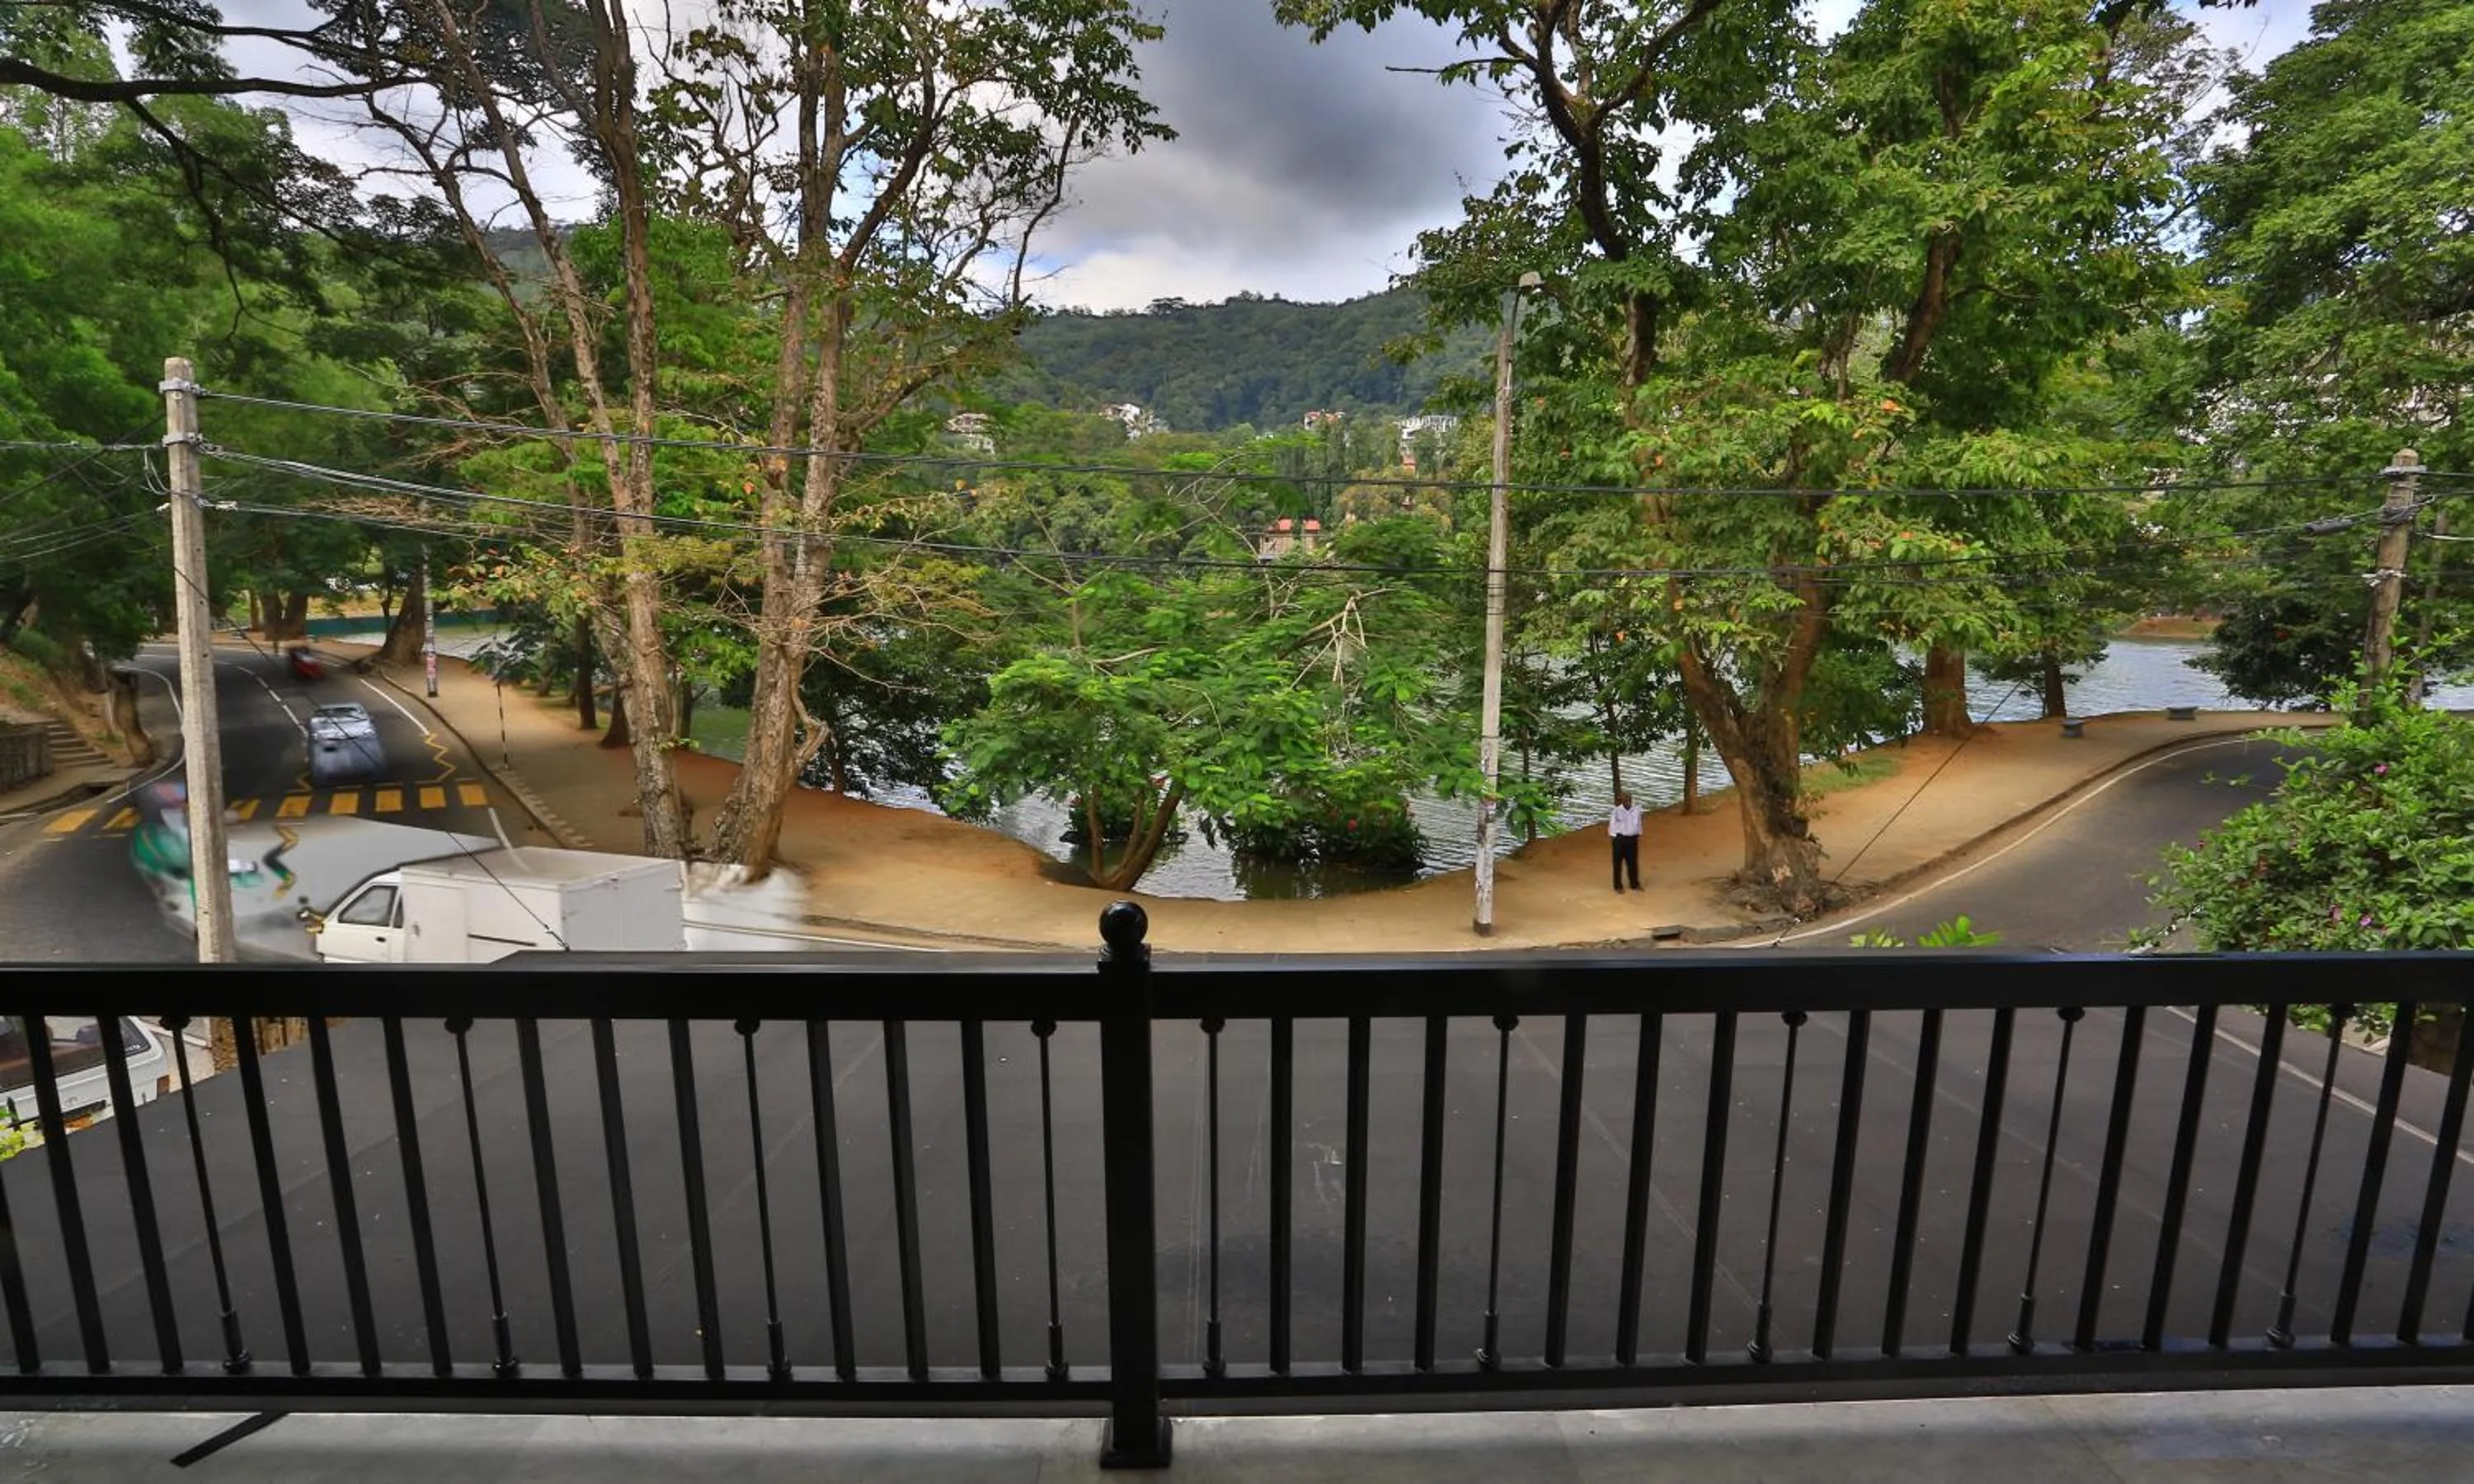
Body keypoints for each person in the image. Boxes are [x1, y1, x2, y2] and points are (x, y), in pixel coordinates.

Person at [1608, 790, 1643, 892]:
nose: (1627, 801)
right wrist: (1614, 838)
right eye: (1625, 799)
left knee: (1632, 863)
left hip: (1632, 839)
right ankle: (1618, 886)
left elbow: (1638, 823)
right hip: (1620, 839)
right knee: (1617, 863)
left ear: (1631, 799)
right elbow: (1612, 825)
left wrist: (1638, 833)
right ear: (1621, 801)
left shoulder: (1636, 810)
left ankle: (1634, 884)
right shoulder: (1616, 811)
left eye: (1628, 799)